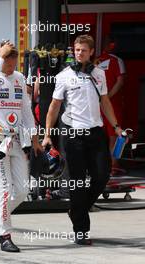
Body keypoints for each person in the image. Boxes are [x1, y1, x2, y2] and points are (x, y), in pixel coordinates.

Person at [42, 34, 123, 245]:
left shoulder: (99, 74)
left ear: (91, 52)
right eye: (76, 50)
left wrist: (115, 126)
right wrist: (48, 133)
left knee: (102, 175)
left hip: (96, 132)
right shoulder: (63, 76)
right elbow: (54, 106)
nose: (79, 54)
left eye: (83, 50)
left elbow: (105, 101)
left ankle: (77, 210)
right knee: (77, 183)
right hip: (72, 134)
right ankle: (81, 230)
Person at [0, 41, 42, 252]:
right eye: (6, 57)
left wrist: (34, 139)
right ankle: (5, 235)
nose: (10, 62)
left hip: (16, 140)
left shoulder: (19, 78)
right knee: (4, 190)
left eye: (13, 58)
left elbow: (26, 112)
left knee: (24, 190)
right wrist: (0, 55)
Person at [96, 36, 126, 175]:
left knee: (98, 134)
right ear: (112, 45)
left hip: (97, 103)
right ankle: (113, 165)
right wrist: (108, 97)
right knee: (115, 134)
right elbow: (120, 81)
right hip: (111, 104)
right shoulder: (117, 60)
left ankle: (99, 165)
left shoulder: (94, 61)